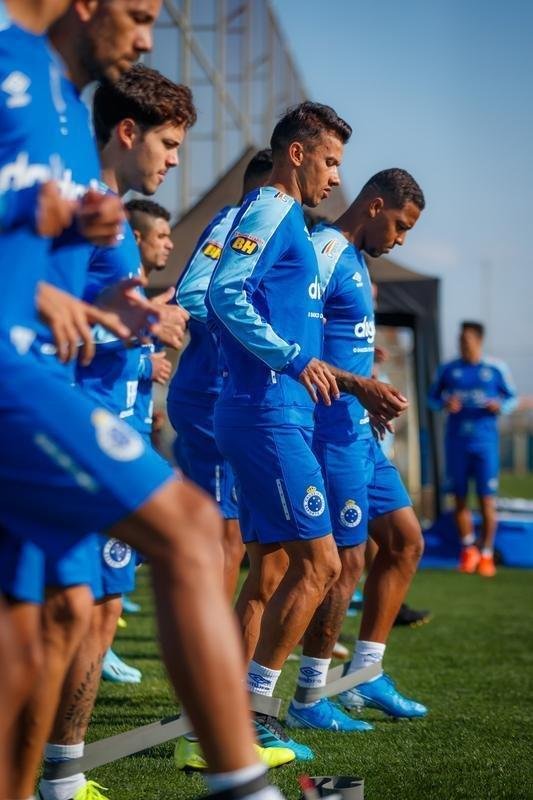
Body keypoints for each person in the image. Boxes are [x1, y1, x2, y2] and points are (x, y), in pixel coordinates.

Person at [0, 3, 279, 800]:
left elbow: (32, 271)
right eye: (139, 13)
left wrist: (99, 312)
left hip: (40, 381)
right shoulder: (10, 71)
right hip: (22, 383)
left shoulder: (59, 104)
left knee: (37, 630)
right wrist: (33, 225)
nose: (150, 34)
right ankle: (236, 779)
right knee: (191, 531)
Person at [207, 104, 407, 758]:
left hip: (281, 412)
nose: (333, 177)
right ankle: (259, 711)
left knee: (279, 572)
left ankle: (241, 712)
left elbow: (291, 321)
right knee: (321, 563)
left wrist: (346, 375)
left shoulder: (291, 220)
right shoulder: (271, 209)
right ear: (296, 154)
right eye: (328, 162)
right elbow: (220, 293)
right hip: (267, 413)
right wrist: (297, 361)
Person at [167, 148, 273, 601]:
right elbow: (190, 295)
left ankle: (234, 633)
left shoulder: (269, 229)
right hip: (209, 398)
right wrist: (239, 331)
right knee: (224, 533)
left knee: (240, 530)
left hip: (231, 399)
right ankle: (216, 647)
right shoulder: (232, 224)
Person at [428, 321, 518, 577]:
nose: (463, 344)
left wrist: (499, 406)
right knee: (458, 498)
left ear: (478, 340)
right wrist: (445, 403)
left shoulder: (495, 369)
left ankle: (487, 554)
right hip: (456, 442)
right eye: (460, 340)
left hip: (485, 443)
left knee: (487, 500)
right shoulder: (449, 370)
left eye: (467, 340)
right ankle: (469, 549)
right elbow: (431, 399)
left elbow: (511, 397)